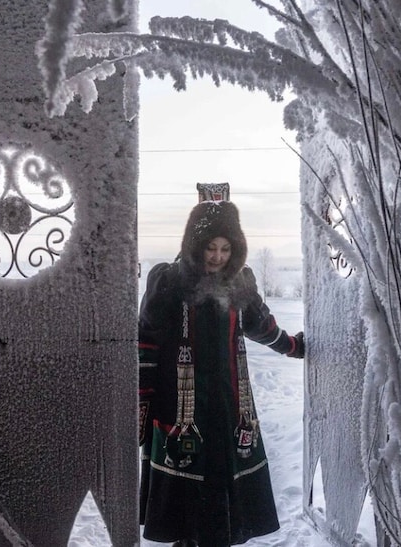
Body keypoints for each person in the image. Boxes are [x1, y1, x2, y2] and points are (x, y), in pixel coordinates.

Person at [138, 200, 305, 547]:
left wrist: (291, 346)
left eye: (225, 249)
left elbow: (260, 325)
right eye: (210, 248)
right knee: (186, 492)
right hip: (179, 404)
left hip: (229, 405)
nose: (217, 257)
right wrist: (142, 399)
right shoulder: (169, 281)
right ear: (194, 246)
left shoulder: (239, 283)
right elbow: (148, 341)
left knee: (221, 487)